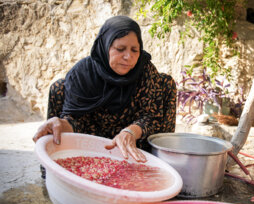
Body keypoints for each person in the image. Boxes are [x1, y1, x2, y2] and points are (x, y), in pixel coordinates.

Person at [33, 15, 177, 167]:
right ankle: (52, 168)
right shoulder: (82, 75)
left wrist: (131, 132)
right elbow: (77, 121)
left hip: (133, 145)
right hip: (90, 142)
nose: (128, 56)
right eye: (120, 49)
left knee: (166, 83)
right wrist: (61, 124)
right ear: (105, 46)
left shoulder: (145, 70)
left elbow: (152, 116)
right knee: (58, 88)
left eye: (135, 50)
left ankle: (160, 166)